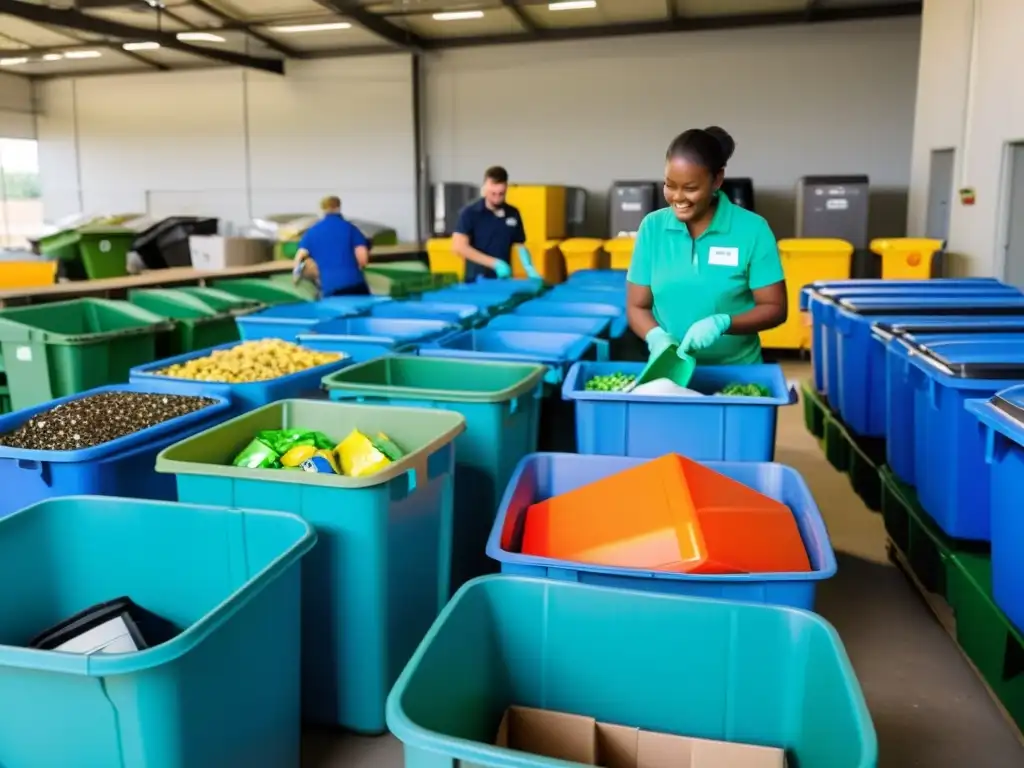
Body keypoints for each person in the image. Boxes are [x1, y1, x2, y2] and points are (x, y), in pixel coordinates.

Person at [626, 127, 787, 365]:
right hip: (671, 370)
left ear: (717, 180)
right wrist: (656, 337)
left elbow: (775, 308)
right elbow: (636, 305)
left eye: (690, 188)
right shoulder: (653, 227)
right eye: (670, 185)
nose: (678, 197)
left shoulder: (752, 230)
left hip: (737, 373)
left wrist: (724, 323)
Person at [452, 166, 540, 282]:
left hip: (503, 280)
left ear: (506, 188)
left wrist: (529, 267)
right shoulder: (470, 213)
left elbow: (519, 244)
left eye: (501, 194)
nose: (497, 198)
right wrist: (494, 263)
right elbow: (459, 247)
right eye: (493, 193)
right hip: (476, 282)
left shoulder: (513, 213)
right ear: (484, 188)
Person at [292, 195, 370, 297]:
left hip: (329, 286)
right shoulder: (350, 229)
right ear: (339, 207)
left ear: (322, 209)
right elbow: (362, 258)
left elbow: (300, 258)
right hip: (354, 283)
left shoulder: (311, 232)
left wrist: (295, 278)